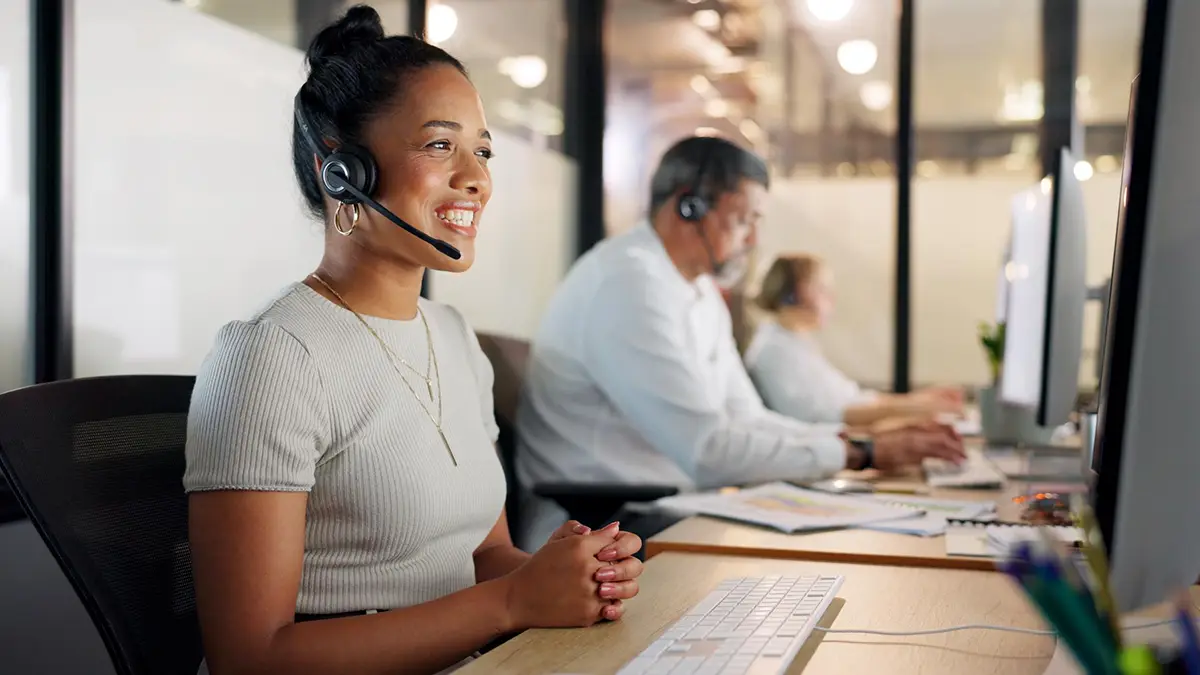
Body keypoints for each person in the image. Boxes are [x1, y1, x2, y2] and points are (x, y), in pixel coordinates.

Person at [183, 8, 642, 675]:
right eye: (439, 145)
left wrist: (569, 576)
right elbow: (250, 657)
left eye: (482, 150)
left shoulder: (452, 337)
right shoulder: (269, 356)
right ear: (342, 172)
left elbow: (483, 557)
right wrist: (513, 601)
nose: (477, 177)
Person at [514, 135, 965, 548]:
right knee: (815, 554)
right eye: (742, 220)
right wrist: (861, 452)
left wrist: (858, 442)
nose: (754, 239)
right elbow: (709, 451)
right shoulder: (627, 283)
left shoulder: (698, 290)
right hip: (598, 520)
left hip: (668, 503)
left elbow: (746, 418)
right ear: (687, 207)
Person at [745, 254, 964, 427]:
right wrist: (918, 409)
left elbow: (850, 398)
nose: (832, 298)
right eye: (822, 289)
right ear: (799, 293)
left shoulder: (795, 343)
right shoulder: (774, 352)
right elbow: (825, 416)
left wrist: (917, 401)